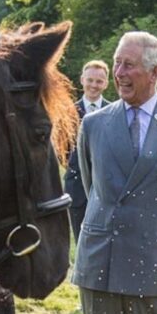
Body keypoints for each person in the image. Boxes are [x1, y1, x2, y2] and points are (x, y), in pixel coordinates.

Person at [72, 32, 157, 314]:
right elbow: (91, 186)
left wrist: (154, 226)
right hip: (101, 263)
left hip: (154, 264)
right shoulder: (93, 124)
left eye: (129, 65)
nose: (119, 73)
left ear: (155, 72)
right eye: (116, 63)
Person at [63, 60, 110, 242]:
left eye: (99, 81)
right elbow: (61, 150)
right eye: (90, 80)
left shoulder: (115, 112)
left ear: (106, 84)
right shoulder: (68, 112)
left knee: (105, 241)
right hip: (76, 188)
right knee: (81, 241)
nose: (94, 85)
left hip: (107, 188)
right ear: (82, 80)